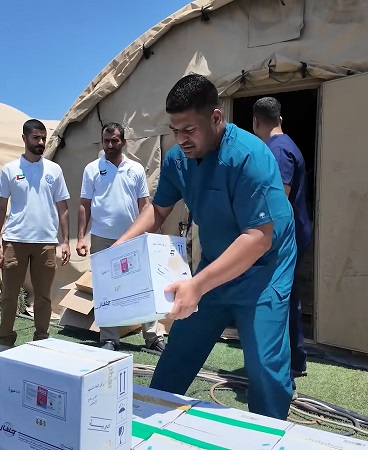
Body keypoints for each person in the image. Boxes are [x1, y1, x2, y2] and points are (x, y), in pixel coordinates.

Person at [114, 74, 297, 420]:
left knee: (265, 365)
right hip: (215, 264)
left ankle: (269, 434)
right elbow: (158, 209)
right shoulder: (177, 159)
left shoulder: (251, 157)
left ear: (216, 118)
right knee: (181, 348)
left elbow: (258, 238)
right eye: (174, 130)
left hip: (265, 269)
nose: (181, 139)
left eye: (189, 130)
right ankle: (152, 420)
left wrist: (197, 285)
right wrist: (122, 244)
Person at [76, 122, 166, 353]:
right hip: (102, 238)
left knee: (143, 285)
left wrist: (148, 234)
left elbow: (144, 204)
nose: (109, 145)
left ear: (123, 142)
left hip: (133, 237)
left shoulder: (136, 169)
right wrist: (81, 237)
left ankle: (153, 337)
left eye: (114, 140)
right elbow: (84, 205)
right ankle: (109, 338)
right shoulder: (92, 169)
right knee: (105, 288)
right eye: (106, 141)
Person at [0, 119, 71, 359]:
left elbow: (63, 208)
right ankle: (5, 341)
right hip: (14, 241)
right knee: (9, 295)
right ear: (24, 138)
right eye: (36, 137)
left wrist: (65, 241)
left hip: (46, 242)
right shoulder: (9, 169)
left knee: (43, 296)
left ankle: (41, 339)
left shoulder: (54, 170)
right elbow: (0, 209)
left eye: (43, 138)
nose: (41, 142)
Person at [252, 97, 312, 394]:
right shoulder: (288, 145)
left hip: (285, 237)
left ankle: (282, 369)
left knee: (277, 300)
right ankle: (295, 360)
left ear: (255, 123)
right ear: (280, 119)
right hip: (297, 232)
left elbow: (278, 201)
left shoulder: (277, 151)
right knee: (289, 298)